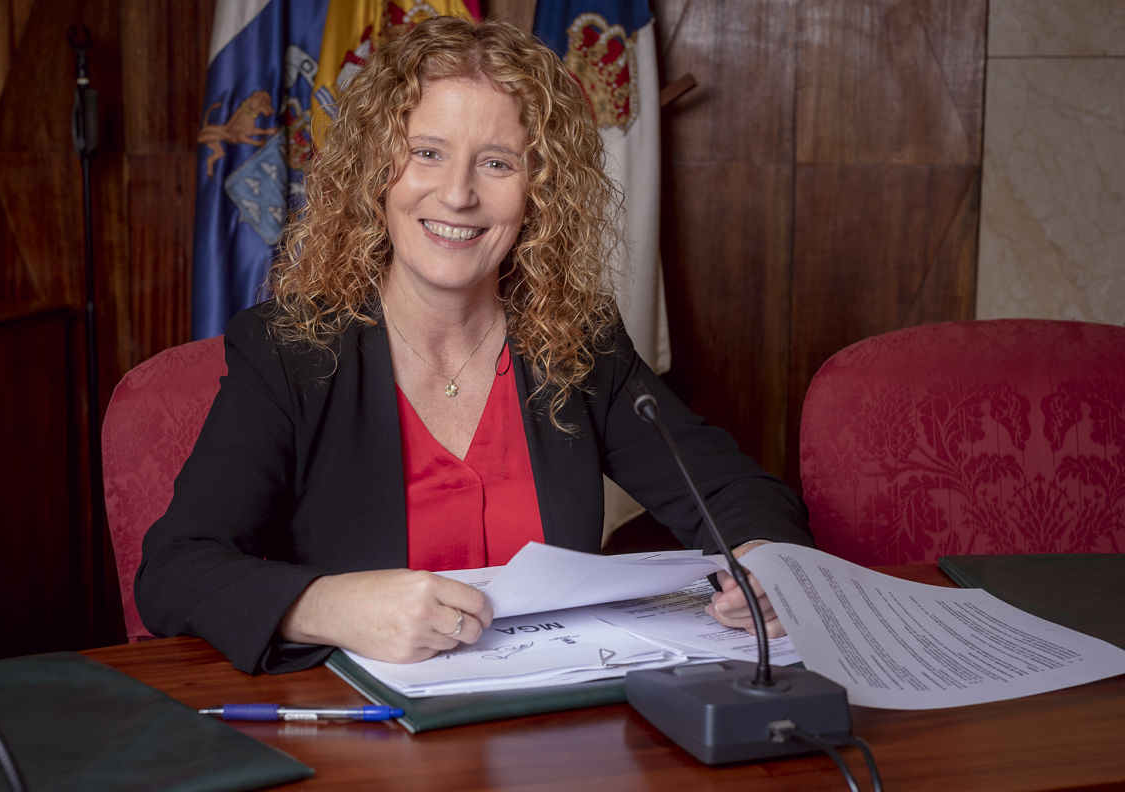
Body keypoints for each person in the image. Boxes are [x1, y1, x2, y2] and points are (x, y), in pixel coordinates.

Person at [135, 16, 813, 675]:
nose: (457, 194)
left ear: (539, 192)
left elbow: (735, 489)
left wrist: (764, 563)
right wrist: (325, 603)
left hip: (546, 740)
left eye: (497, 163)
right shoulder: (289, 350)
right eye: (426, 153)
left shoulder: (577, 342)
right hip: (361, 744)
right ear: (378, 171)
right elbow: (175, 570)